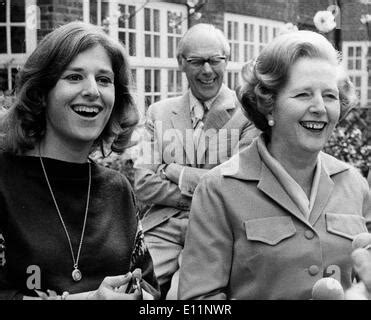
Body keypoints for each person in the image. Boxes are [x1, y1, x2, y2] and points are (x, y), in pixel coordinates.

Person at [179, 30, 371, 300]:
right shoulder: (218, 190)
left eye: (329, 96)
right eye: (303, 94)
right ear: (269, 105)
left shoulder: (355, 184)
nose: (320, 107)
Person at [0, 21, 160, 300]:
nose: (93, 91)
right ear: (40, 92)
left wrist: (139, 296)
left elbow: (148, 287)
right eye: (74, 77)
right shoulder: (3, 180)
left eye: (104, 79)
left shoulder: (118, 189)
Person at [134, 23, 259, 298]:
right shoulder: (158, 113)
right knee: (131, 290)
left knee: (184, 297)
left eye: (215, 60)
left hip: (216, 229)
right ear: (181, 63)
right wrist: (201, 190)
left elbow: (237, 185)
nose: (207, 70)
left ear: (227, 60)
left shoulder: (248, 114)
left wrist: (174, 171)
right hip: (162, 227)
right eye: (196, 61)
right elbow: (143, 184)